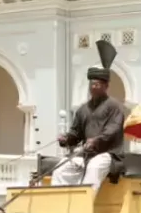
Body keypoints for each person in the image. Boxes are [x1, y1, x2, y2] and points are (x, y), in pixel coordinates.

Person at [52, 39, 125, 193]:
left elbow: (113, 130)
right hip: (85, 154)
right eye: (92, 84)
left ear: (106, 86)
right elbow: (75, 133)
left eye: (97, 84)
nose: (93, 87)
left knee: (93, 168)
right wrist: (66, 138)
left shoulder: (115, 107)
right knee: (61, 170)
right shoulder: (82, 110)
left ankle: (84, 209)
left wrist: (96, 140)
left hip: (108, 155)